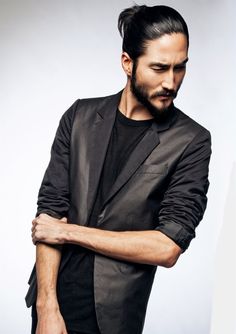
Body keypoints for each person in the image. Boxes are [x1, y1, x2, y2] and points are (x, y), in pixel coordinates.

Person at [26, 4, 211, 334]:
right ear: (128, 63)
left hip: (114, 318)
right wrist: (46, 308)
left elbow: (167, 247)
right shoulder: (79, 118)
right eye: (159, 68)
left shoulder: (191, 141)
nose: (171, 82)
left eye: (180, 68)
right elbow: (50, 213)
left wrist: (69, 232)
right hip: (52, 301)